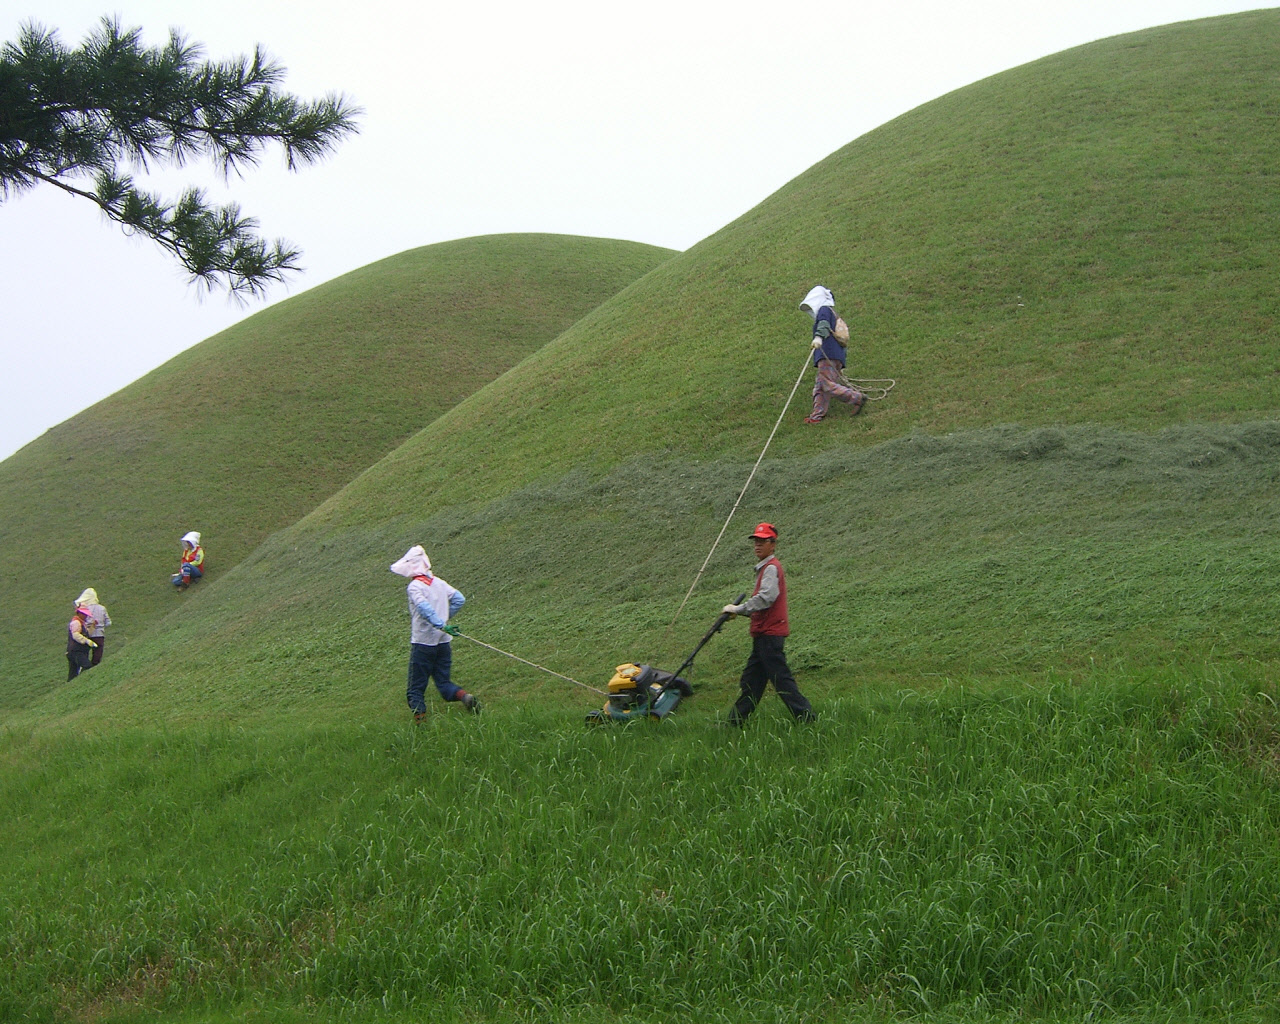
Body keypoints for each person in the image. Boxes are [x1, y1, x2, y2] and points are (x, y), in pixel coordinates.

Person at [723, 522, 815, 727]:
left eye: (763, 541)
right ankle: (734, 723)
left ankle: (807, 718)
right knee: (751, 682)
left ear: (773, 545)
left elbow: (767, 598)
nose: (757, 545)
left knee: (782, 680)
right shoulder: (765, 567)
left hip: (769, 635)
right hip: (764, 634)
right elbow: (764, 604)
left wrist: (738, 609)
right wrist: (743, 613)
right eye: (756, 541)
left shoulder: (771, 568)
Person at [389, 544, 479, 719]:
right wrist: (444, 622)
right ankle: (465, 697)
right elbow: (459, 599)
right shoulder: (439, 583)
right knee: (443, 683)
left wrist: (439, 623)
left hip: (423, 643)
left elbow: (423, 608)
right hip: (443, 642)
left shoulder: (414, 587)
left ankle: (420, 727)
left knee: (415, 689)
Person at [800, 284, 864, 424]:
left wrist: (818, 338)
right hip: (834, 354)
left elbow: (823, 324)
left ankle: (855, 397)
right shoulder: (831, 312)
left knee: (825, 383)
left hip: (828, 354)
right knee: (821, 385)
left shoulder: (824, 310)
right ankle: (817, 415)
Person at [76, 587, 111, 666]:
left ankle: (85, 666)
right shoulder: (102, 608)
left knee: (85, 651)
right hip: (99, 634)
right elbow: (108, 622)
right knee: (98, 652)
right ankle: (95, 666)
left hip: (88, 634)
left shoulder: (85, 609)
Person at [66, 603, 97, 681]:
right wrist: (87, 641)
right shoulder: (76, 623)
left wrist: (93, 627)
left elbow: (87, 633)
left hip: (77, 651)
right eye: (84, 614)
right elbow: (75, 635)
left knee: (73, 674)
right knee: (87, 666)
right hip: (76, 651)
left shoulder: (82, 623)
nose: (85, 616)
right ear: (79, 613)